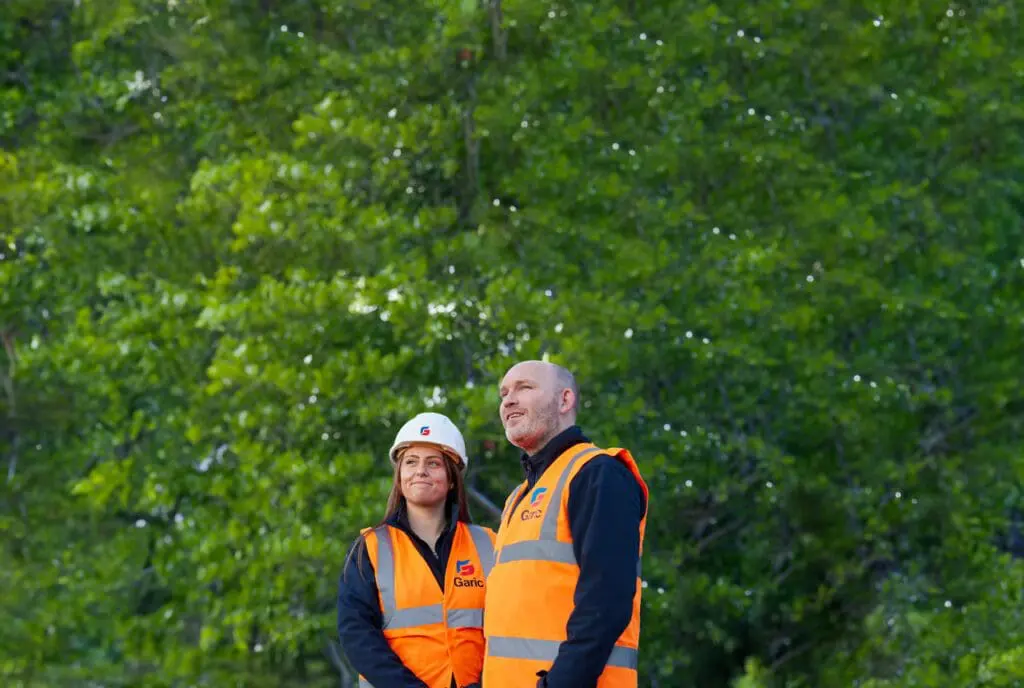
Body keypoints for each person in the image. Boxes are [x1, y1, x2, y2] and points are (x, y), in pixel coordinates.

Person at [482, 360, 649, 688]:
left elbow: (606, 603)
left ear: (565, 400)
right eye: (504, 393)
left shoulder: (598, 474)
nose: (509, 400)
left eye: (524, 387)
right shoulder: (520, 496)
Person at [337, 412, 496, 688]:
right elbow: (357, 636)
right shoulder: (369, 549)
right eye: (411, 462)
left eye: (433, 463)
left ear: (452, 479)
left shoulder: (489, 544)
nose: (420, 470)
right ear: (400, 477)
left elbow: (507, 625)